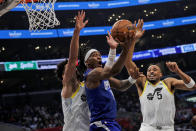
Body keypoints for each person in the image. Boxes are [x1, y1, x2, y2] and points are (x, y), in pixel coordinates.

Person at [125, 20, 196, 131]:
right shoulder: (142, 83)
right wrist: (133, 40)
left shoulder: (168, 82)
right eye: (149, 70)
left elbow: (192, 86)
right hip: (147, 128)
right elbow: (128, 62)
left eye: (155, 69)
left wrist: (178, 71)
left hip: (167, 128)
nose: (151, 71)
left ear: (161, 74)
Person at [80, 22, 142, 130]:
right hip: (102, 124)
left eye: (99, 55)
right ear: (87, 62)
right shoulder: (92, 74)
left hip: (108, 123)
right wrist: (125, 48)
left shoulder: (101, 76)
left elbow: (121, 85)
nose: (98, 57)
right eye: (94, 56)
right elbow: (114, 70)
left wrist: (132, 78)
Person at [56, 11, 89, 131]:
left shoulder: (86, 84)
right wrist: (77, 32)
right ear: (63, 76)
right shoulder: (67, 88)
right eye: (67, 69)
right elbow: (72, 59)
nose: (71, 68)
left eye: (72, 68)